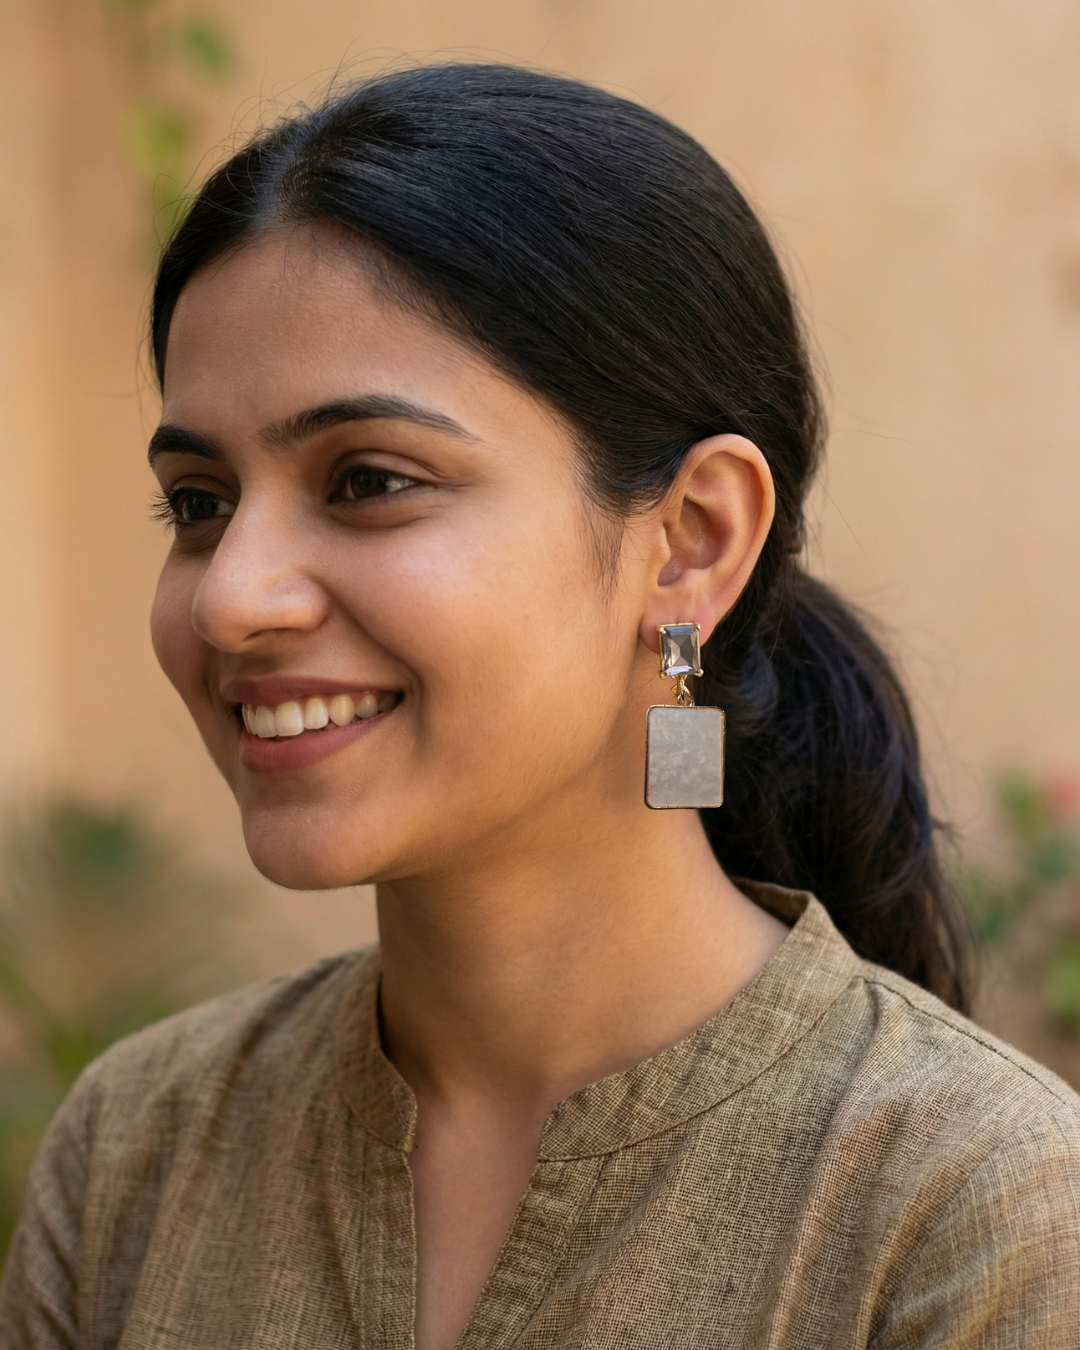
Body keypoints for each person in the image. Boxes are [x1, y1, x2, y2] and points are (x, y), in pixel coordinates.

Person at [2, 62, 1079, 1350]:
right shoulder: (139, 1146)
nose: (232, 598)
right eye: (198, 501)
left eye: (370, 480)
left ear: (688, 541)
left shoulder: (981, 1212)